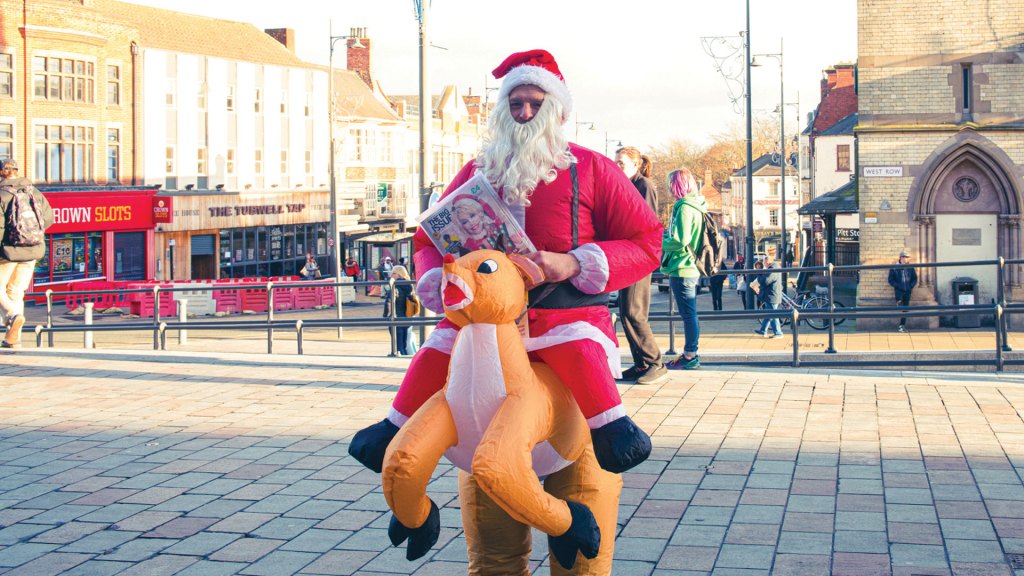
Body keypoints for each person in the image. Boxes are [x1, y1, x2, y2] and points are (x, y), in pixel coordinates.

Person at [350, 49, 663, 477]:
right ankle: (393, 427)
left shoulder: (594, 168)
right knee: (436, 349)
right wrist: (434, 280)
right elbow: (426, 240)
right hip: (482, 320)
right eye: (516, 104)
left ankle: (611, 425)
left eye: (536, 103)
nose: (525, 113)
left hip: (563, 312)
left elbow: (646, 241)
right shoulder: (479, 170)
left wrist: (571, 263)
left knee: (580, 350)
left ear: (558, 111)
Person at [613, 146, 665, 385]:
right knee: (625, 311)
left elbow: (646, 223)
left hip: (639, 257)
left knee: (635, 312)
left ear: (635, 165)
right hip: (627, 256)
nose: (617, 167)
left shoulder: (644, 186)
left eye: (621, 163)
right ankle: (641, 363)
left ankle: (655, 362)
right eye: (616, 162)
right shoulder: (626, 186)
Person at [0, 159, 54, 349]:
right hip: (32, 250)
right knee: (15, 292)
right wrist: (30, 236)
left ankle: (12, 317)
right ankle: (13, 338)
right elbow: (48, 218)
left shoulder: (2, 194)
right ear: (17, 171)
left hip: (8, 252)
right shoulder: (34, 192)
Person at [661, 168, 706, 370]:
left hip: (683, 266)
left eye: (671, 185)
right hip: (688, 267)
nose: (669, 189)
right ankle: (690, 353)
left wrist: (659, 241)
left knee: (688, 314)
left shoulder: (685, 207)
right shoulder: (696, 205)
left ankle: (690, 355)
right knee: (689, 313)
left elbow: (681, 239)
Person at [752, 255, 784, 338]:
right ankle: (763, 331)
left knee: (773, 315)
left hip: (772, 295)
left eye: (764, 263)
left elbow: (766, 281)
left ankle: (778, 333)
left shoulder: (773, 269)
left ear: (768, 262)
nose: (764, 265)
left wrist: (759, 274)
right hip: (771, 294)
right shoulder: (773, 268)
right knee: (769, 314)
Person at [386, 265, 415, 354]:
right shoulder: (409, 285)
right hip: (407, 316)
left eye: (393, 273)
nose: (391, 275)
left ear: (398, 274)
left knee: (397, 342)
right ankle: (403, 354)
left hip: (396, 315)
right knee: (403, 341)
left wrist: (386, 315)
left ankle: (397, 353)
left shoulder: (395, 286)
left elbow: (389, 301)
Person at [888, 249, 917, 333]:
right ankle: (898, 301)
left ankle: (902, 326)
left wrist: (910, 286)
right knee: (900, 307)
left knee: (905, 309)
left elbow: (914, 278)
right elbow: (890, 280)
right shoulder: (894, 268)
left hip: (907, 291)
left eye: (907, 258)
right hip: (899, 291)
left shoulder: (910, 267)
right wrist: (898, 286)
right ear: (900, 258)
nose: (906, 259)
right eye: (905, 257)